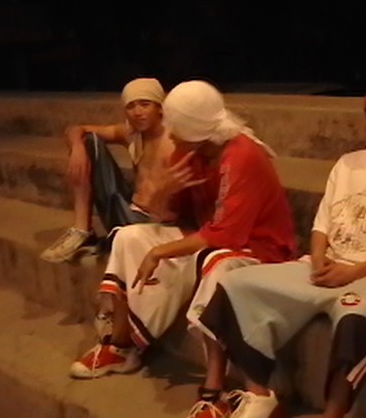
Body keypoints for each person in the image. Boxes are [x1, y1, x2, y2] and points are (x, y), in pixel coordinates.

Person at [194, 78, 366, 418]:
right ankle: (260, 394)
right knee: (233, 285)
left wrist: (354, 271)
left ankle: (333, 413)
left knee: (354, 318)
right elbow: (322, 223)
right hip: (324, 266)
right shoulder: (348, 163)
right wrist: (319, 261)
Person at [69, 80, 295, 385]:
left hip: (257, 247)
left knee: (212, 260)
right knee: (127, 236)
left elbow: (226, 234)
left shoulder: (242, 154)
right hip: (206, 238)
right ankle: (121, 347)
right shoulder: (188, 150)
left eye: (176, 126)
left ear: (195, 128)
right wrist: (165, 192)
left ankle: (219, 384)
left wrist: (160, 251)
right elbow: (168, 216)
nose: (170, 133)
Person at [40, 77, 174, 263]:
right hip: (126, 210)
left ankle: (119, 240)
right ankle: (82, 231)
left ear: (159, 107)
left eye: (145, 105)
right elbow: (76, 129)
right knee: (88, 141)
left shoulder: (174, 141)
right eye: (131, 106)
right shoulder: (131, 134)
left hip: (155, 224)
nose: (137, 112)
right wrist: (77, 148)